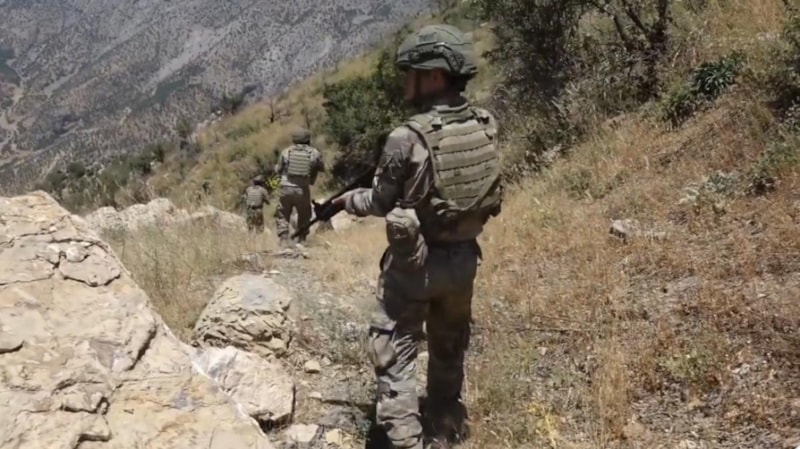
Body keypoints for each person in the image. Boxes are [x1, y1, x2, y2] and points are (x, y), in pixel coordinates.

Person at [331, 24, 503, 449]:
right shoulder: (484, 123)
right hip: (465, 261)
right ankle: (445, 423)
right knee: (449, 344)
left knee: (395, 351)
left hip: (416, 267)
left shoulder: (406, 137)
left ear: (434, 75)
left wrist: (348, 201)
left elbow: (380, 201)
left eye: (412, 71)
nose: (405, 80)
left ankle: (405, 441)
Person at [273, 127, 325, 246]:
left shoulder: (286, 152)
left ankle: (283, 239)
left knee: (283, 213)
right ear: (307, 139)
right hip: (302, 189)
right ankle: (301, 238)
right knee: (304, 214)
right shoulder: (314, 152)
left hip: (285, 188)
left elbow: (278, 170)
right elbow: (321, 167)